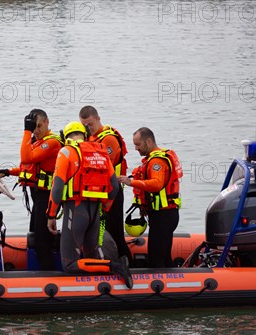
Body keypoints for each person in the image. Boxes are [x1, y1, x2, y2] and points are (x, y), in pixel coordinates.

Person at [47, 121, 133, 289]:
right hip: (96, 212)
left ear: (65, 137)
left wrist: (51, 215)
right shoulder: (101, 153)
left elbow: (57, 188)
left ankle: (115, 266)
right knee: (91, 255)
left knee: (70, 264)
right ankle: (109, 272)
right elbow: (114, 187)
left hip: (75, 210)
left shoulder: (66, 152)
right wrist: (105, 210)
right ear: (85, 135)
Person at [0, 109, 63, 270]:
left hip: (46, 197)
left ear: (47, 122)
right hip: (37, 197)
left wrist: (26, 131)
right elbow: (28, 168)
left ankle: (48, 274)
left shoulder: (52, 142)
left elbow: (27, 158)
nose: (36, 131)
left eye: (39, 126)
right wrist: (8, 172)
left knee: (41, 239)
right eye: (33, 127)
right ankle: (39, 268)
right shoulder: (36, 142)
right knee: (35, 233)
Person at [118, 127, 183, 268]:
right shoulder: (154, 159)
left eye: (138, 145)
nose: (136, 148)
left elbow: (156, 184)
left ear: (148, 141)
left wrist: (131, 182)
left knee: (156, 257)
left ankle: (162, 286)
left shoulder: (157, 162)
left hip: (164, 216)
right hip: (163, 214)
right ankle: (170, 280)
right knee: (163, 256)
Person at [78, 106, 132, 263]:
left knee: (115, 233)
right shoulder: (90, 139)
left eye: (89, 124)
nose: (88, 128)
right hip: (99, 193)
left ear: (97, 118)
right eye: (84, 125)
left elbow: (102, 164)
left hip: (112, 192)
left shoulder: (108, 139)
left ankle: (128, 265)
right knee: (102, 233)